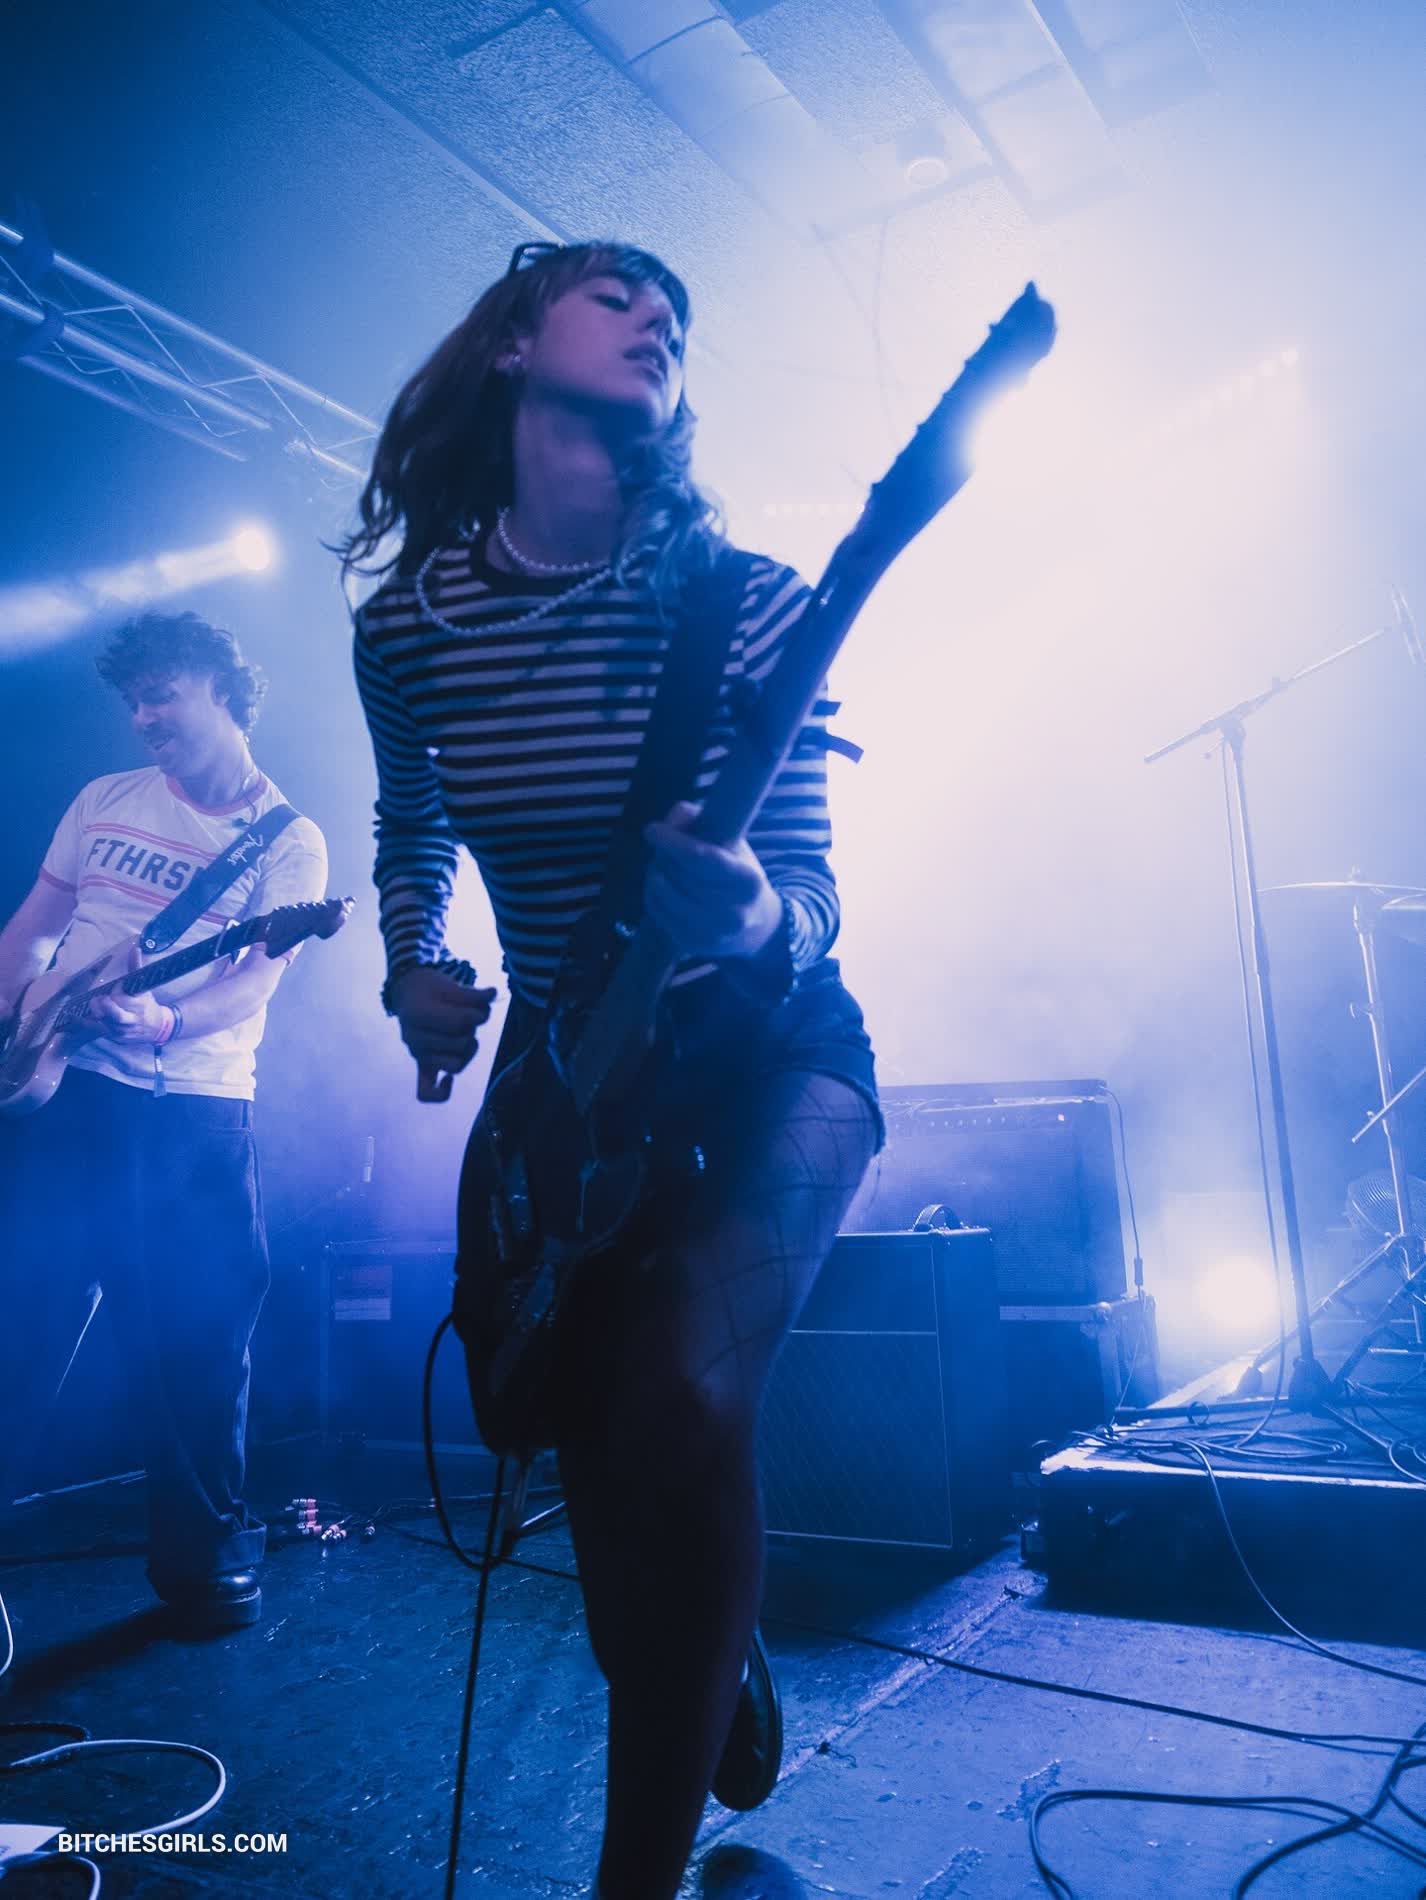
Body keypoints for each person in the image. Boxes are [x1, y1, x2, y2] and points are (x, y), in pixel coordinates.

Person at [347, 241, 882, 1900]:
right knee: (580, 1453)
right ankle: (715, 1651)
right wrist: (413, 966)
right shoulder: (409, 627)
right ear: (514, 345)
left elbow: (813, 890)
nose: (660, 319)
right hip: (566, 1077)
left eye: (677, 315)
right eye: (616, 297)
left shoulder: (746, 599)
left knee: (682, 1394)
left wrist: (755, 918)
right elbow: (411, 826)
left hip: (770, 1051)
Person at [0, 611, 328, 1632]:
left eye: (163, 693)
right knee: (18, 1321)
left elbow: (255, 983)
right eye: (133, 699)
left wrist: (166, 1019)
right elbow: (33, 932)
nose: (143, 715)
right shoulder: (104, 800)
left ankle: (205, 1568)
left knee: (198, 1340)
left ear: (223, 690)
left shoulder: (288, 840)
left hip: (193, 1111)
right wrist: (15, 1025)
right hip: (67, 1094)